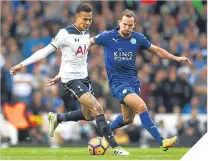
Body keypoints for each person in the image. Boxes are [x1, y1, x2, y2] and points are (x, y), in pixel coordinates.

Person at [10, 3, 129, 156]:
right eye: (84, 19)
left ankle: (58, 118)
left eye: (90, 19)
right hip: (71, 80)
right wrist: (22, 64)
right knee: (98, 108)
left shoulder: (86, 33)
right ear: (77, 17)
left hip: (84, 78)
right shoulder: (64, 33)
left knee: (89, 115)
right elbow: (45, 51)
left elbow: (72, 58)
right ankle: (115, 147)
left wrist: (59, 74)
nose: (87, 22)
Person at [89, 9, 191, 151]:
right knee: (141, 106)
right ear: (120, 22)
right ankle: (162, 141)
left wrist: (176, 58)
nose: (126, 28)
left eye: (130, 25)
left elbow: (156, 50)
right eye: (124, 24)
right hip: (118, 83)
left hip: (133, 83)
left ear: (134, 25)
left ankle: (105, 129)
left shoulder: (138, 38)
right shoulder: (107, 36)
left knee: (128, 119)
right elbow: (87, 43)